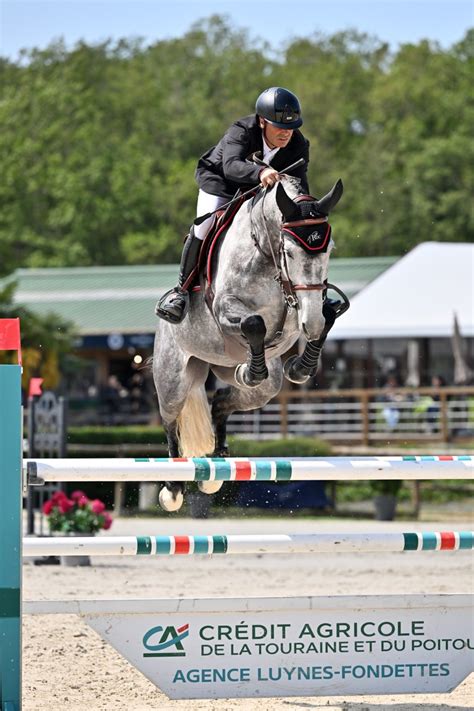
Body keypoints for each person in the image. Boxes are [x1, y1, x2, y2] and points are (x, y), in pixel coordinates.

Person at [156, 87, 310, 324]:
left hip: (259, 190)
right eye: (279, 126)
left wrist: (304, 211)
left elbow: (300, 182)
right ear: (261, 122)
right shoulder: (241, 131)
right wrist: (261, 171)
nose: (286, 133)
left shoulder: (298, 144)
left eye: (290, 127)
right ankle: (181, 291)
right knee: (205, 225)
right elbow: (231, 166)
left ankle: (309, 290)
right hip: (220, 183)